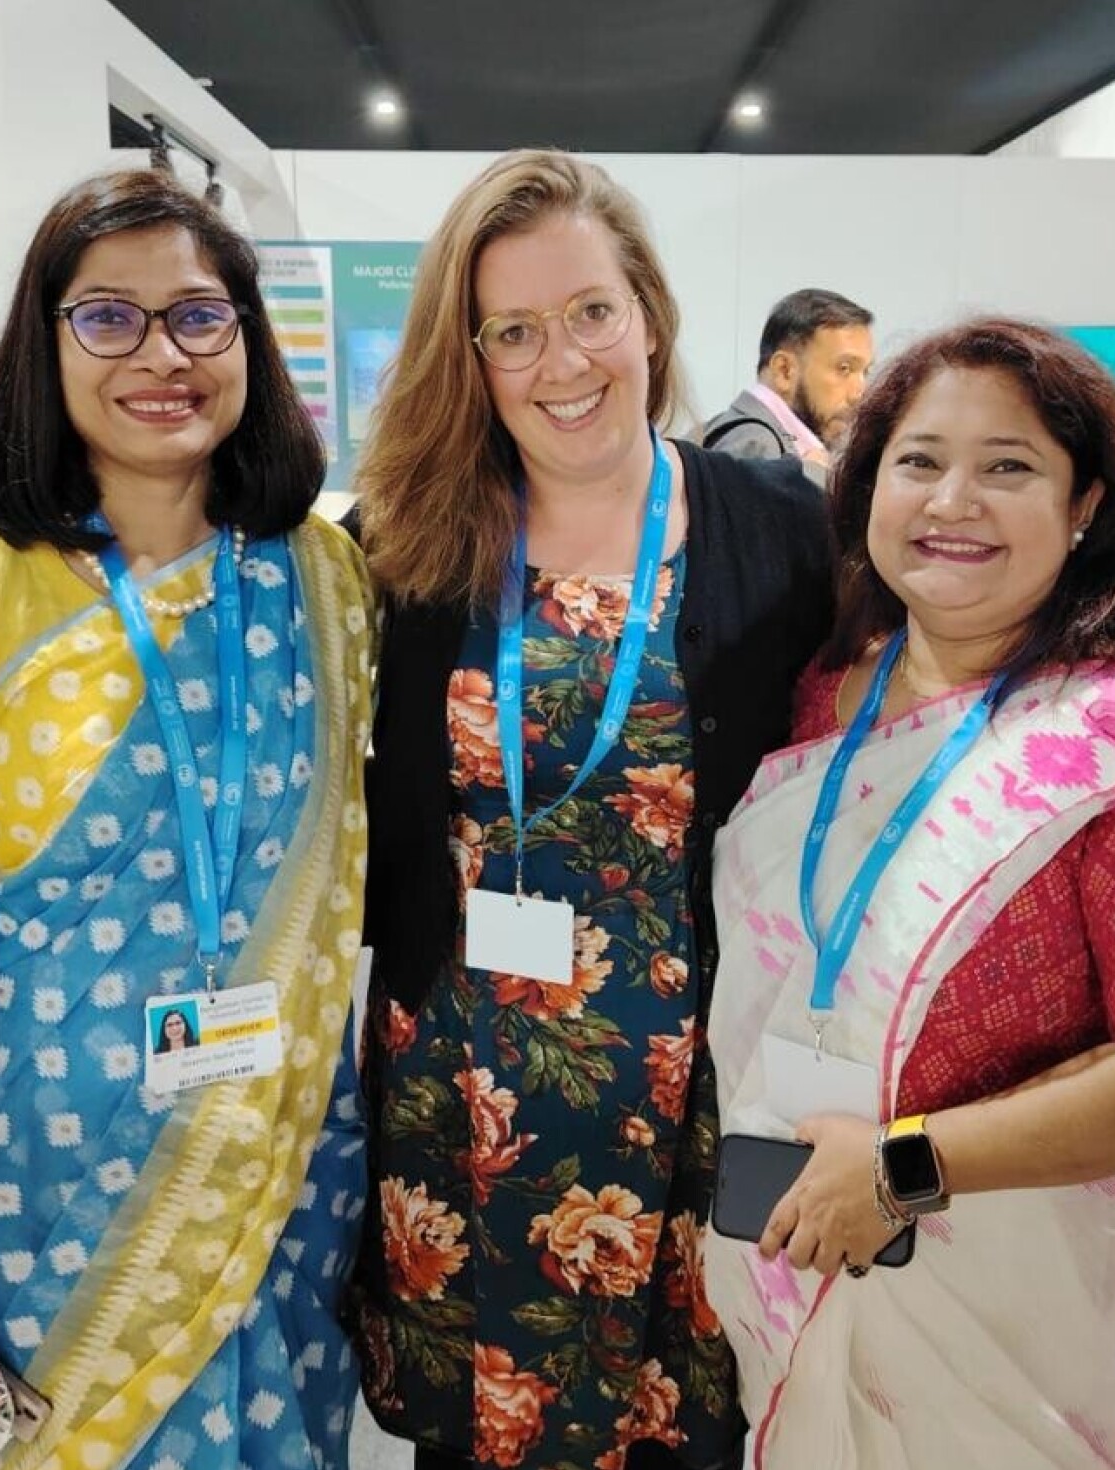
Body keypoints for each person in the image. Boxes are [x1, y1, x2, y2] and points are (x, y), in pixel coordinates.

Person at [700, 318, 1115, 1469]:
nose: (952, 500)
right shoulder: (819, 690)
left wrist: (905, 1167)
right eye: (917, 461)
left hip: (1029, 1315)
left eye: (1006, 466)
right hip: (799, 1249)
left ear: (1085, 506)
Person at [0, 168, 375, 1470]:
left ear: (248, 336)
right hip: (49, 1182)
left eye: (199, 317)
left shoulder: (322, 572)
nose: (161, 355)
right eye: (107, 319)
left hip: (293, 1146)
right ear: (46, 339)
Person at [347, 149, 833, 1470]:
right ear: (472, 356)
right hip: (465, 1068)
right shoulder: (413, 539)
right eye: (512, 330)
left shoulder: (769, 522)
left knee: (682, 1423)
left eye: (589, 313)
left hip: (688, 1070)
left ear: (650, 317)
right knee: (480, 1423)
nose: (560, 360)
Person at [700, 288, 873, 472]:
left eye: (866, 372)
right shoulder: (756, 446)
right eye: (844, 369)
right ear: (785, 371)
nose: (859, 394)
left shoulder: (752, 438)